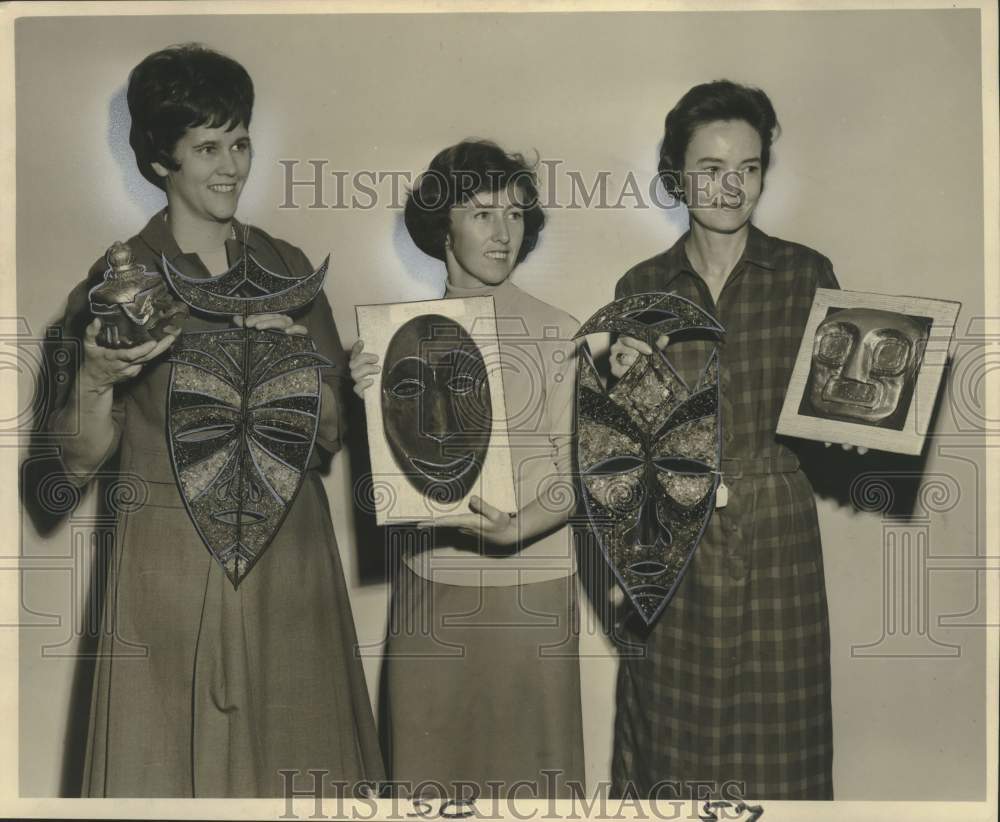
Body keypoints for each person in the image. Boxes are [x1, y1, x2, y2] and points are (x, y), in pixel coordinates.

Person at [44, 43, 384, 797]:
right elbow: (69, 466)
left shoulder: (288, 266)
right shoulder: (112, 285)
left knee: (302, 778)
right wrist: (97, 377)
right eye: (207, 147)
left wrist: (300, 375)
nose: (231, 165)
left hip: (290, 569)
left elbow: (329, 435)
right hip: (167, 573)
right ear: (162, 159)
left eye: (240, 142)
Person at [609, 80, 860, 801]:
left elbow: (837, 434)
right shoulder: (641, 284)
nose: (731, 186)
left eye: (748, 168)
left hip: (777, 538)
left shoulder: (808, 276)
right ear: (675, 173)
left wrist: (866, 424)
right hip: (673, 544)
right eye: (711, 167)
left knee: (780, 753)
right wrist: (626, 389)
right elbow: (620, 455)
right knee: (672, 748)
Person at [349, 140, 585, 798]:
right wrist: (366, 396)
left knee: (533, 791)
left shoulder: (559, 332)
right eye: (481, 213)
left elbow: (584, 475)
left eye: (514, 215)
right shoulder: (399, 337)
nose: (502, 232)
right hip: (432, 589)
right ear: (442, 224)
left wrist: (519, 529)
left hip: (530, 595)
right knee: (431, 783)